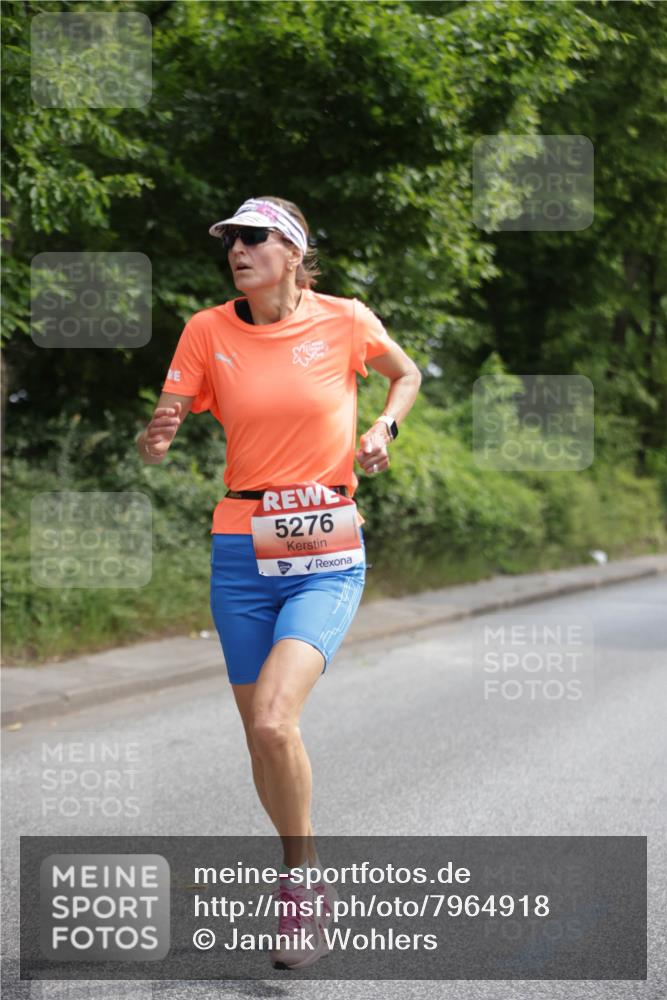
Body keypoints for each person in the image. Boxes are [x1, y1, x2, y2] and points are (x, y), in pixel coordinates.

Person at [136, 196, 421, 968]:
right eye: (231, 240)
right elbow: (164, 421)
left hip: (326, 546)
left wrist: (382, 428)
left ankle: (300, 888)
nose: (239, 249)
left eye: (255, 238)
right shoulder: (206, 330)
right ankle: (303, 873)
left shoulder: (345, 319)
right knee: (262, 743)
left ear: (293, 252)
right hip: (239, 551)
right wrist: (157, 435)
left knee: (271, 720)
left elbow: (406, 373)